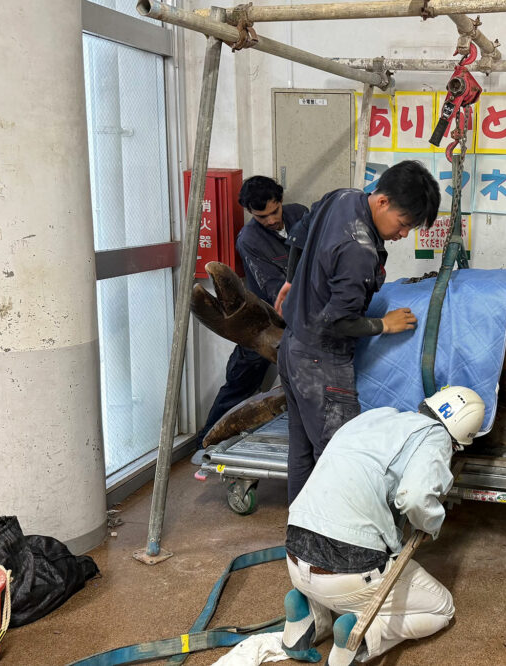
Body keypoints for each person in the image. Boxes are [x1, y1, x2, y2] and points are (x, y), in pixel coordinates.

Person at [280, 385, 485, 666]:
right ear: (457, 441)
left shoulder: (376, 416)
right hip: (347, 575)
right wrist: (431, 524)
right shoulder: (435, 436)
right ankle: (361, 637)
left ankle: (304, 621)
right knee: (442, 608)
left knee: (326, 580)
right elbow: (414, 499)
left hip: (293, 552)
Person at [277, 160, 441, 503]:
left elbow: (299, 233)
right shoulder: (359, 250)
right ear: (382, 202)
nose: (403, 235)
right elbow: (336, 322)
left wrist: (292, 279)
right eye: (403, 224)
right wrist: (386, 324)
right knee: (341, 457)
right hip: (320, 363)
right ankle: (332, 546)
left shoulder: (343, 197)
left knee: (302, 450)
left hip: (291, 346)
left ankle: (301, 534)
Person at [197, 176, 308, 446]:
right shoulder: (248, 240)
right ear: (250, 212)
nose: (271, 220)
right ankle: (206, 443)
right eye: (262, 217)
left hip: (304, 317)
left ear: (281, 202)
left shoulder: (301, 214)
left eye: (274, 212)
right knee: (240, 383)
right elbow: (273, 287)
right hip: (264, 323)